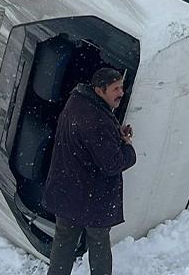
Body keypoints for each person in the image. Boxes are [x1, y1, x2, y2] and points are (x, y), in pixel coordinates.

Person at [42, 68, 137, 275]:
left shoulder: (77, 102)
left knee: (64, 240)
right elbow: (113, 163)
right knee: (99, 241)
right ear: (99, 90)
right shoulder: (98, 122)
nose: (121, 93)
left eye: (121, 87)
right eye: (115, 89)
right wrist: (127, 147)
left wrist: (114, 133)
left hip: (66, 190)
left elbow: (88, 141)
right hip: (91, 198)